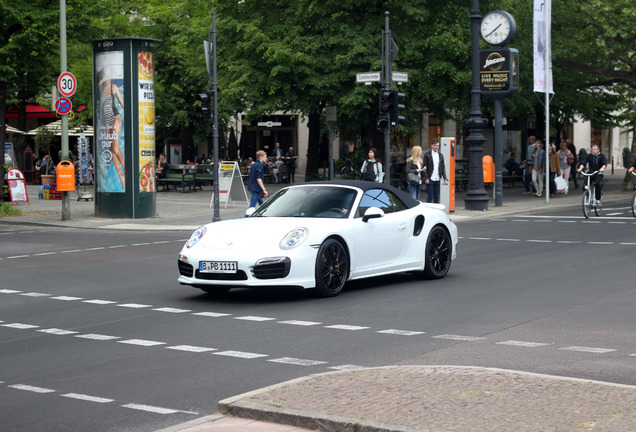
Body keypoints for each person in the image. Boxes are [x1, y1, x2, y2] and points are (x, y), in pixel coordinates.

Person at [99, 65, 126, 190]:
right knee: (111, 150)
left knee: (115, 147)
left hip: (115, 117)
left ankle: (125, 169)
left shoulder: (113, 87)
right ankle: (121, 177)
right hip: (107, 123)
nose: (108, 79)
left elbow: (121, 103)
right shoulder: (101, 88)